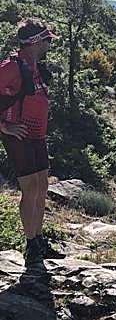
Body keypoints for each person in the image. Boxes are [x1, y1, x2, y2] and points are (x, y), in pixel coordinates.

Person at [0, 18, 65, 266]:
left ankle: (38, 240)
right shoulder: (11, 67)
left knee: (42, 186)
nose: (50, 44)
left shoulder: (35, 66)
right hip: (19, 135)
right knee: (30, 189)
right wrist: (3, 125)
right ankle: (31, 246)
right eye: (47, 40)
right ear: (36, 42)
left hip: (37, 134)